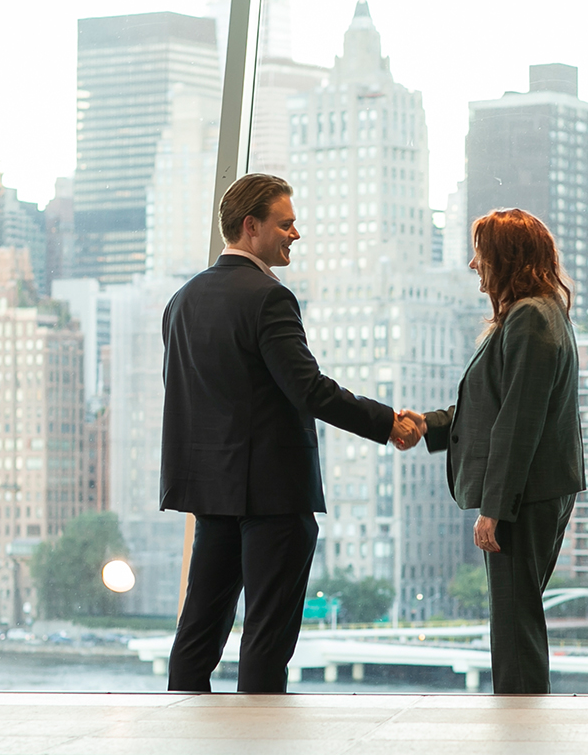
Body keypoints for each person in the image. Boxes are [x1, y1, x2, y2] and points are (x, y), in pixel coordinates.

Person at [160, 173, 420, 693]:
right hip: (273, 496)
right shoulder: (269, 298)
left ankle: (180, 737)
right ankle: (259, 745)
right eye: (287, 223)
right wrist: (386, 422)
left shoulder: (182, 301)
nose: (295, 233)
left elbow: (186, 394)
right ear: (251, 226)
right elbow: (310, 390)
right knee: (267, 636)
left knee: (197, 634)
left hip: (212, 495)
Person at [401, 208, 584, 694]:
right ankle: (521, 722)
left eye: (480, 252)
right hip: (538, 490)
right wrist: (430, 425)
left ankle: (519, 726)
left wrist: (495, 510)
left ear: (506, 258)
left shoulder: (529, 319)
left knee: (513, 618)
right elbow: (494, 405)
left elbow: (519, 422)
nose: (471, 264)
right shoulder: (542, 314)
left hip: (524, 497)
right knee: (517, 612)